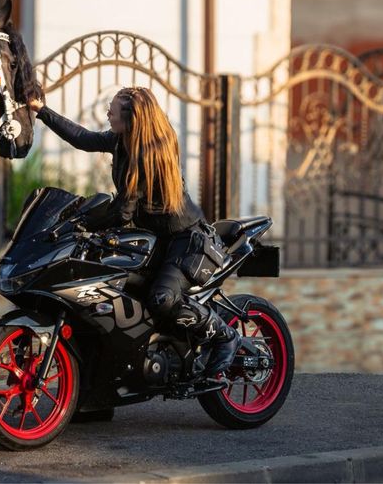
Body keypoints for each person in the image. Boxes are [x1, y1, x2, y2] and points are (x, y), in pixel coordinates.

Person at [28, 87, 239, 378]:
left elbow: (122, 211)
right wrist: (42, 111)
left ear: (131, 119)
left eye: (111, 111)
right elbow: (84, 139)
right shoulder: (121, 140)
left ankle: (224, 336)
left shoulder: (150, 153)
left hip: (184, 240)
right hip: (153, 239)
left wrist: (81, 224)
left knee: (162, 299)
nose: (107, 115)